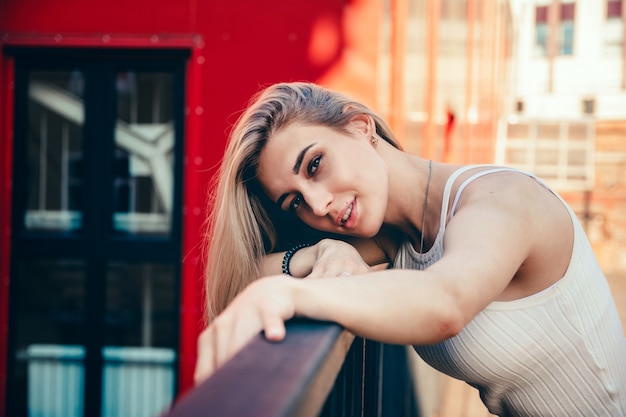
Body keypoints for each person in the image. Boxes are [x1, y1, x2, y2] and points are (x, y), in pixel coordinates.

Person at [195, 82, 626, 416]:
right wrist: (322, 252)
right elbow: (240, 280)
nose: (318, 204)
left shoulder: (503, 199)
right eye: (295, 202)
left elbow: (446, 303)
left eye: (315, 165)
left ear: (360, 127)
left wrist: (292, 292)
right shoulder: (395, 237)